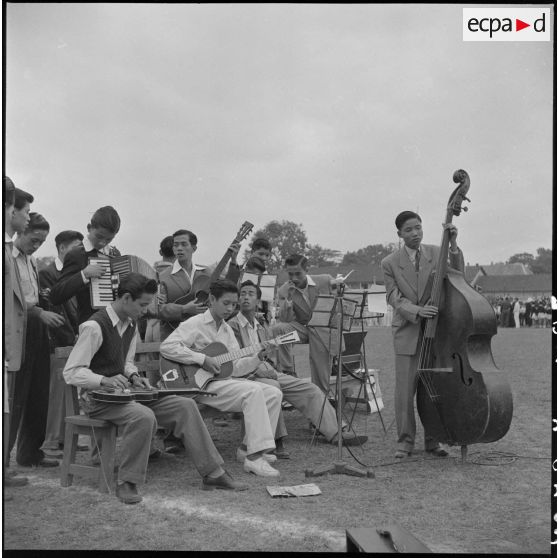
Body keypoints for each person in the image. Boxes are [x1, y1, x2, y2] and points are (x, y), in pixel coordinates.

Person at [63, 273, 248, 504]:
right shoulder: (94, 327)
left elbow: (127, 362)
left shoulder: (129, 324)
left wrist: (133, 375)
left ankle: (213, 473)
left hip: (126, 396)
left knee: (185, 405)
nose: (145, 311)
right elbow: (71, 372)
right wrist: (103, 380)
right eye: (142, 305)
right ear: (126, 298)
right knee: (143, 415)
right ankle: (127, 481)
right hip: (98, 400)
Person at [228, 280, 368, 457]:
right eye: (243, 293)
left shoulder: (261, 325)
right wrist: (260, 368)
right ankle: (272, 443)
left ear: (258, 301)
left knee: (310, 389)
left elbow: (267, 355)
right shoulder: (232, 326)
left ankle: (335, 432)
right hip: (246, 375)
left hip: (267, 371)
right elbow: (236, 360)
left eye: (250, 294)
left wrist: (270, 364)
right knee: (273, 388)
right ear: (238, 299)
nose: (246, 297)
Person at [160, 279, 283, 478]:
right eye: (226, 303)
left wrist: (258, 357)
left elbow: (234, 368)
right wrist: (202, 358)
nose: (230, 308)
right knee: (253, 391)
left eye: (234, 305)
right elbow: (167, 347)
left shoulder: (226, 330)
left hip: (219, 383)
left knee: (273, 392)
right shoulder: (195, 323)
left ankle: (246, 448)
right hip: (197, 386)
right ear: (212, 299)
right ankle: (255, 458)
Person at [381, 210, 465, 459]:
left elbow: (458, 275)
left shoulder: (437, 252)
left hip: (435, 335)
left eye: (418, 227)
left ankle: (433, 440)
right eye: (409, 230)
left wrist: (453, 244)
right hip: (407, 331)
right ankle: (405, 442)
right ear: (399, 234)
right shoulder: (389, 263)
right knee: (405, 391)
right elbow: (392, 297)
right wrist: (418, 311)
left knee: (433, 388)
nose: (415, 233)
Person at [10, 212, 64, 467]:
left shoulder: (31, 261)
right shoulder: (8, 259)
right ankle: (4, 463)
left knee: (39, 393)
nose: (36, 245)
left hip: (37, 330)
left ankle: (30, 452)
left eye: (42, 242)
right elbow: (12, 304)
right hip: (18, 329)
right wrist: (39, 312)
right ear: (21, 232)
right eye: (34, 240)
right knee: (16, 396)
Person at [39, 230, 85, 457]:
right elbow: (55, 309)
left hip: (76, 337)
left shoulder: (76, 273)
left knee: (72, 390)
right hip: (57, 339)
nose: (80, 252)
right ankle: (52, 441)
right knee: (58, 392)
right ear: (62, 248)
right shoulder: (48, 273)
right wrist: (71, 336)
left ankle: (69, 437)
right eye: (77, 247)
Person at [275, 254, 342, 392]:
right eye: (290, 274)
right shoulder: (284, 290)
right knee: (278, 329)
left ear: (307, 270)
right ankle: (288, 372)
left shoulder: (326, 280)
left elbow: (340, 304)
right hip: (303, 330)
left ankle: (321, 391)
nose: (294, 278)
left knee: (316, 332)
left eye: (298, 274)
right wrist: (288, 301)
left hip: (324, 330)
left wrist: (341, 289)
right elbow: (286, 320)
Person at [50, 205, 122, 325]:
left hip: (115, 322)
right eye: (99, 236)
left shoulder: (115, 254)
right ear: (89, 228)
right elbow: (55, 295)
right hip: (91, 323)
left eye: (109, 239)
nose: (102, 243)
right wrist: (84, 274)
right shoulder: (77, 254)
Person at [4, 177, 29, 489]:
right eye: (24, 211)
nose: (27, 217)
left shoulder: (8, 249)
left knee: (6, 408)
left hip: (11, 342)